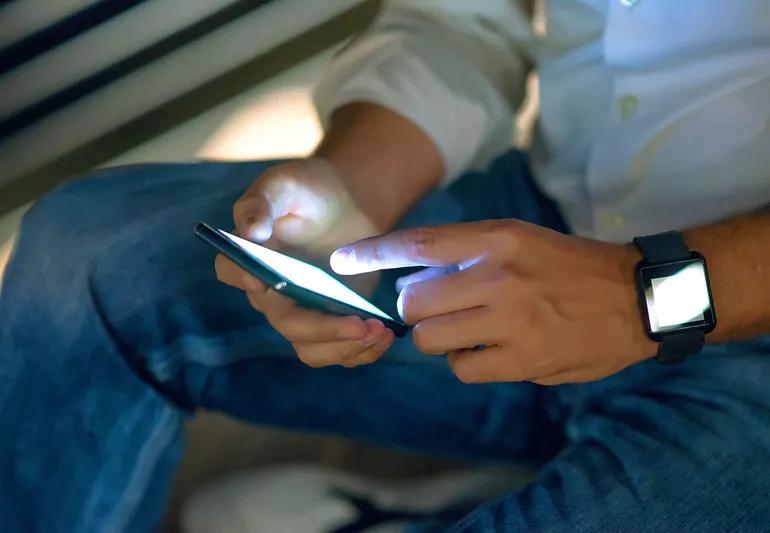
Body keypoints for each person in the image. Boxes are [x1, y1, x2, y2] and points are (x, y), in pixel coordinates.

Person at [2, 0, 770, 531]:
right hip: (542, 219)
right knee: (84, 256)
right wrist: (351, 185)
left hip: (744, 324)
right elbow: (463, 22)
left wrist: (647, 297)